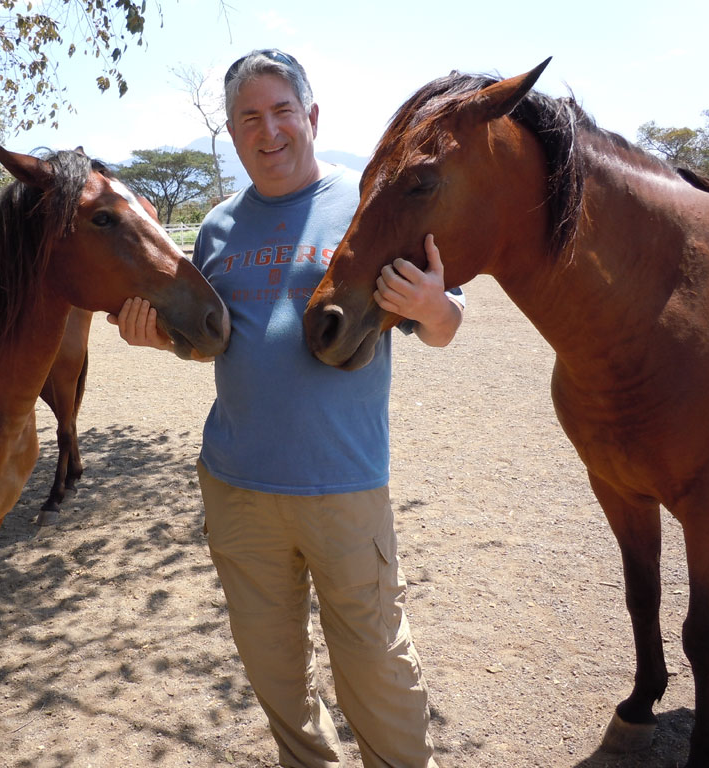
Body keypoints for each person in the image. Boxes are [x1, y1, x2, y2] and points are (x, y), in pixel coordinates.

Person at [109, 49, 464, 768]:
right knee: (275, 675)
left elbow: (445, 324)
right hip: (238, 487)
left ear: (311, 117)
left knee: (377, 671)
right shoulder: (213, 228)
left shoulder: (369, 204)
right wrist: (158, 343)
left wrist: (434, 305)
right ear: (233, 134)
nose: (268, 131)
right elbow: (209, 345)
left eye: (281, 111)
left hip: (344, 486)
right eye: (249, 118)